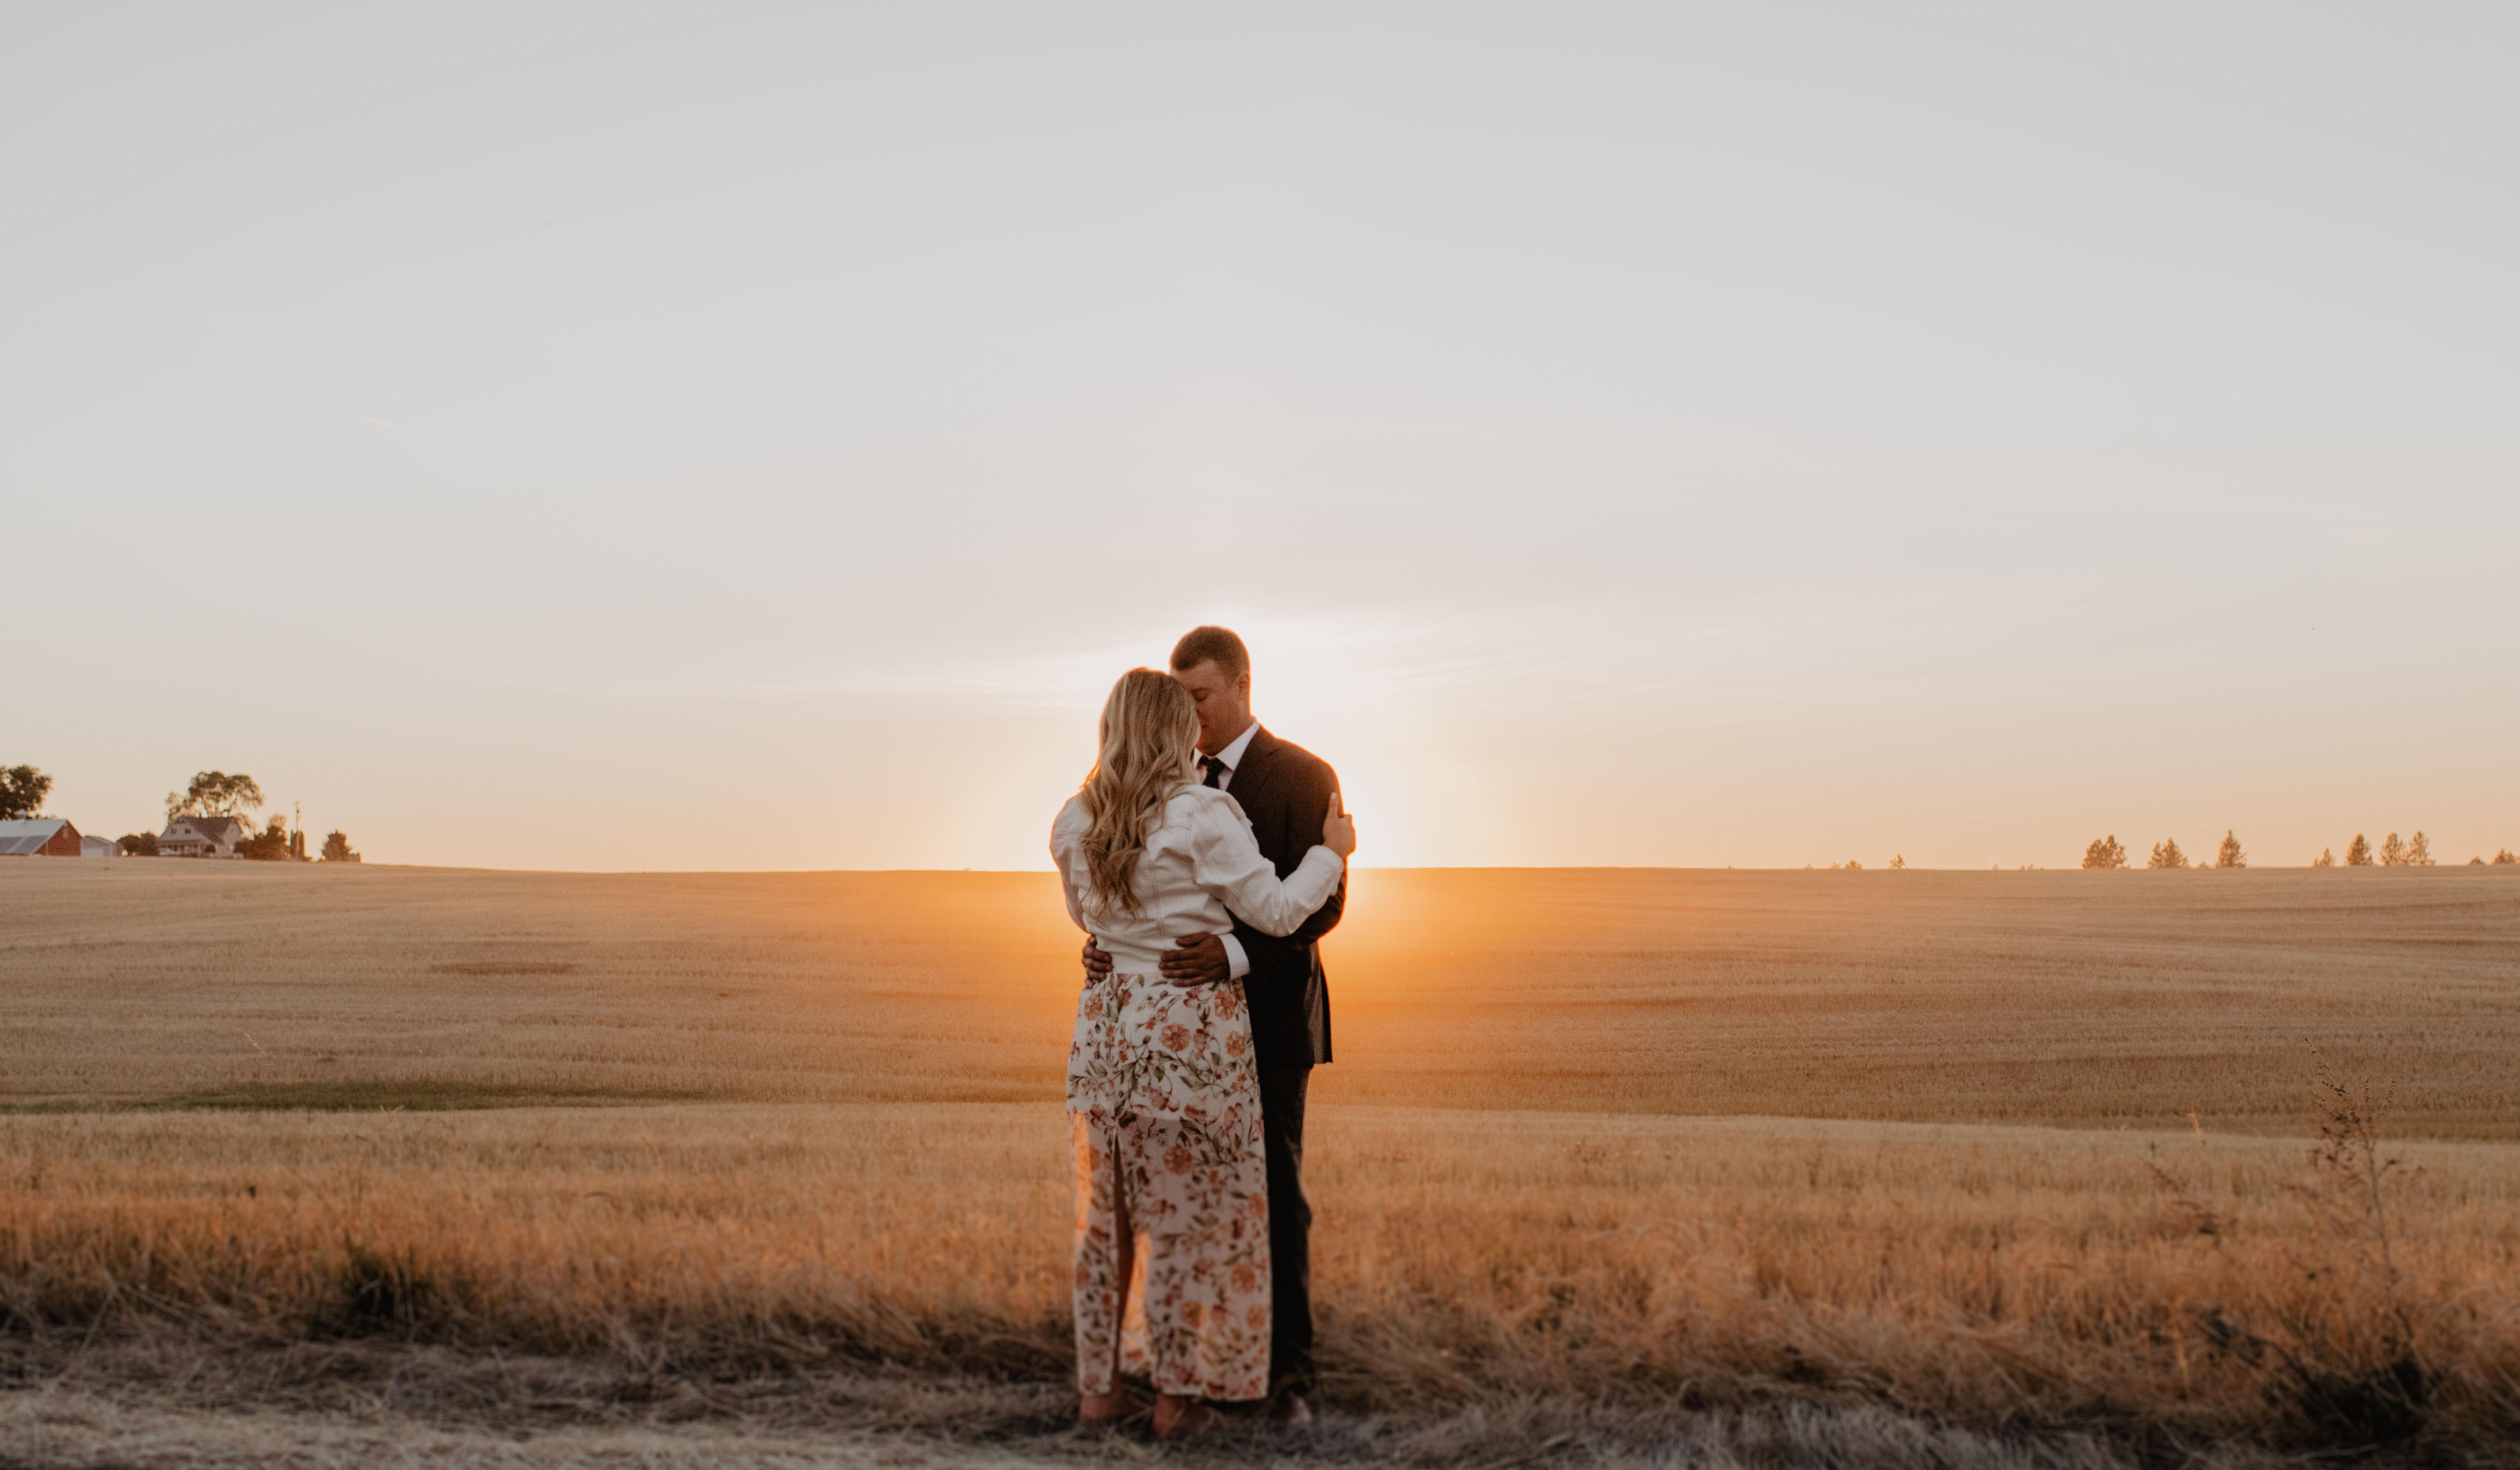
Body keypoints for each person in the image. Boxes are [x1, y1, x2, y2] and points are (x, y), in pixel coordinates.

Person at [1052, 666, 1356, 1438]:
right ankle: (1178, 1400)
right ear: (1173, 728)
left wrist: (1115, 953)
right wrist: (1333, 852)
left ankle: (1099, 1392)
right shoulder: (1203, 815)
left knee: (1108, 1219)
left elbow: (1092, 921)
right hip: (1187, 1039)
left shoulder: (1074, 819)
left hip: (1104, 1035)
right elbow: (1286, 909)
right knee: (1186, 1220)